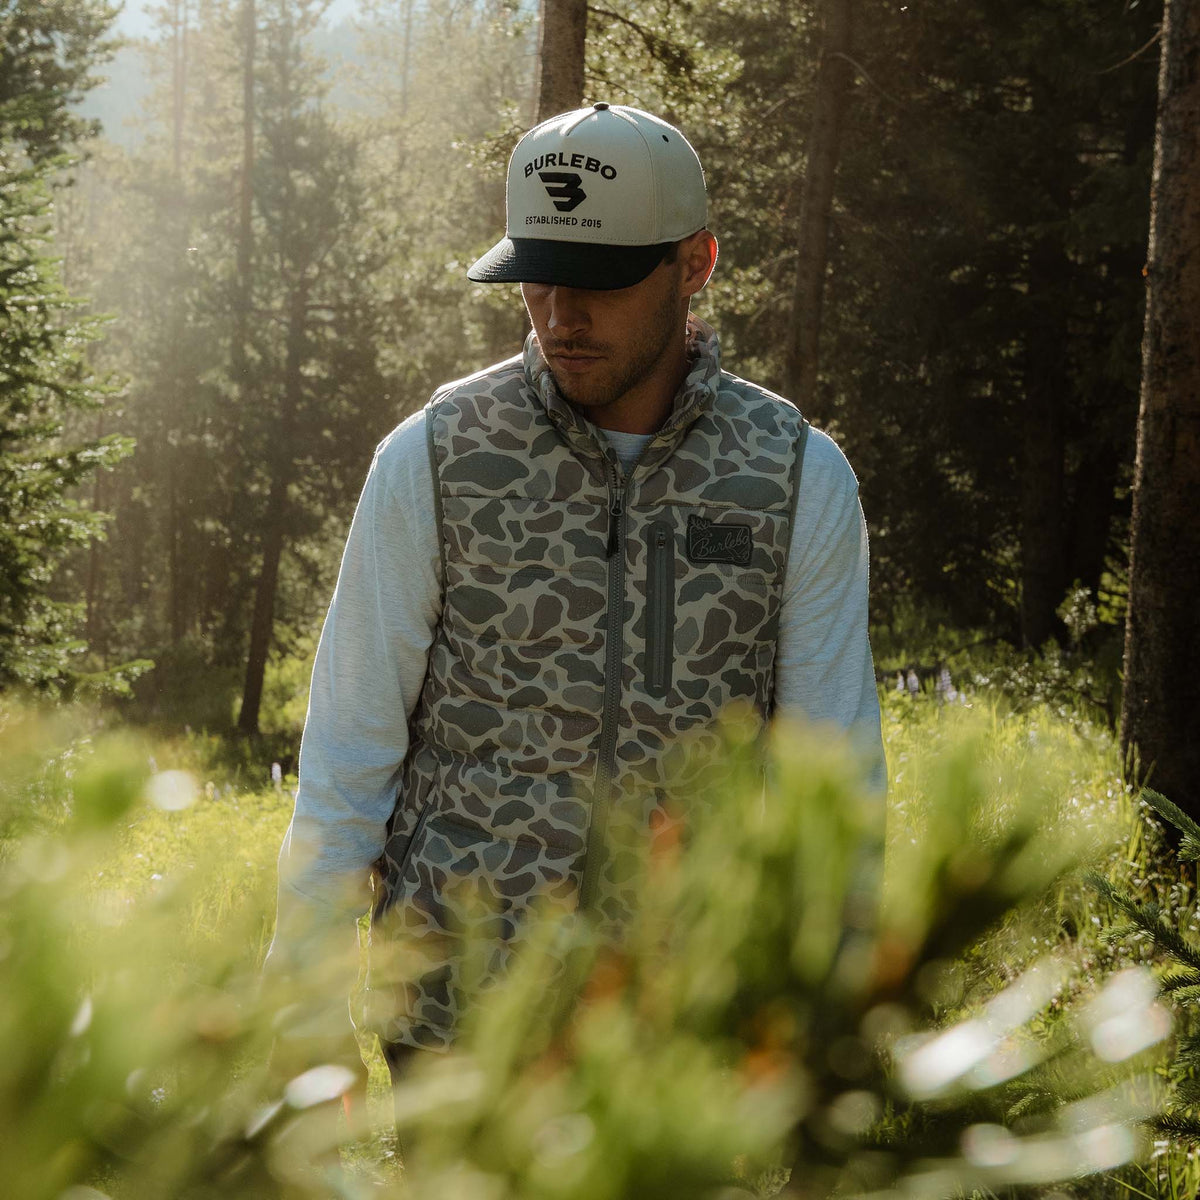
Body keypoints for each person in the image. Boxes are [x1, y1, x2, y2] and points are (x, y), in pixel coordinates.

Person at [266, 103, 885, 1092]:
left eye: (598, 280)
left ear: (696, 262)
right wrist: (300, 999)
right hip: (452, 1020)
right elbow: (348, 752)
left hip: (684, 1030)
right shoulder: (435, 458)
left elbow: (834, 777)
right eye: (537, 277)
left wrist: (827, 1020)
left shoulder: (794, 476)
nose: (560, 314)